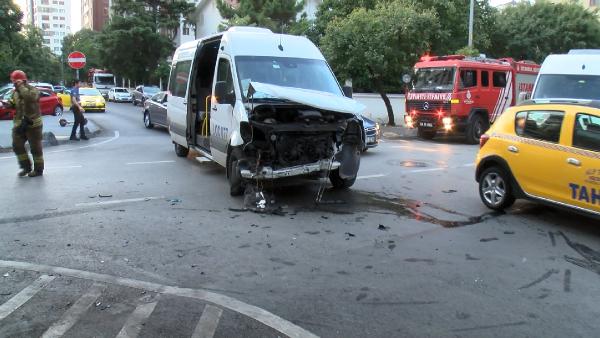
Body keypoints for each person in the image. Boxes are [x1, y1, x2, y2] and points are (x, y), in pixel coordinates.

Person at [7, 70, 44, 177]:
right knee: (17, 145)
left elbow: (30, 98)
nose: (14, 84)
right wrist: (9, 105)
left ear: (22, 81)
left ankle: (38, 170)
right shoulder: (15, 92)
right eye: (13, 82)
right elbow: (14, 103)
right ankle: (26, 167)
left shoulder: (33, 90)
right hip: (20, 124)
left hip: (33, 125)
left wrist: (21, 87)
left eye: (16, 82)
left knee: (35, 148)